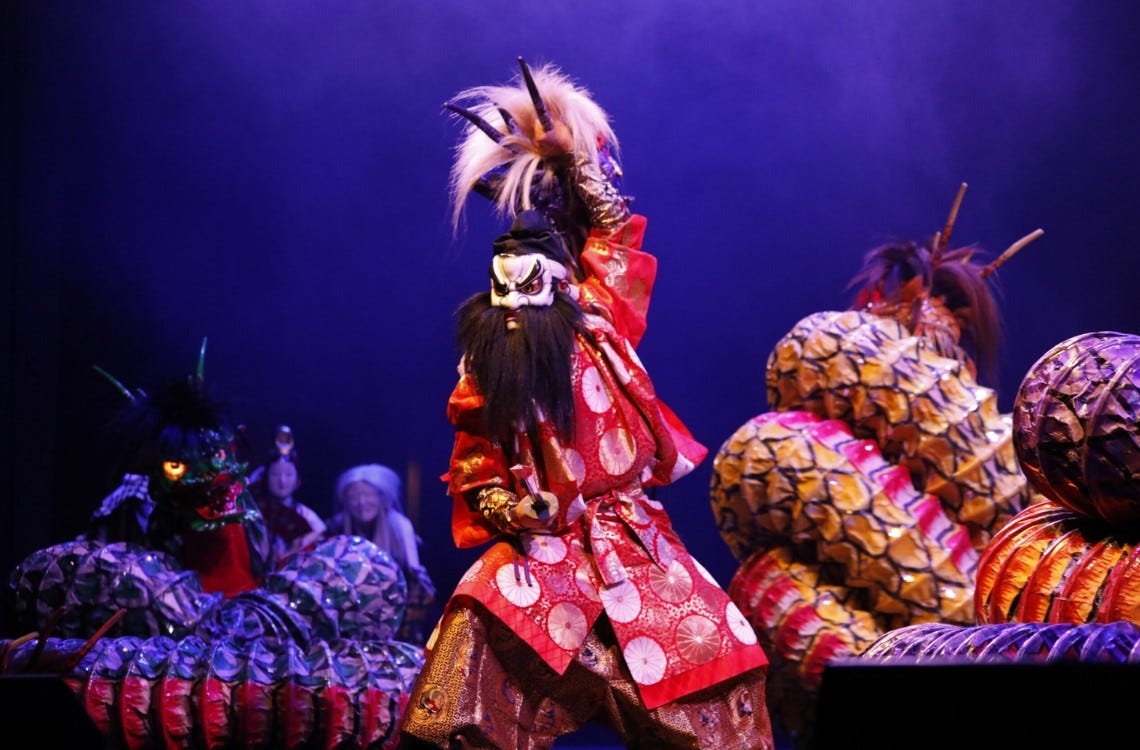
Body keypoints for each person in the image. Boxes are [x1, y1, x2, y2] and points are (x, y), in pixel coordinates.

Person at [397, 59, 773, 749]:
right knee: (461, 676)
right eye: (506, 290)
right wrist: (519, 510)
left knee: (720, 677)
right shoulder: (488, 363)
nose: (520, 302)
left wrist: (576, 164)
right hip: (543, 560)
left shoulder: (599, 316)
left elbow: (615, 237)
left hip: (635, 546)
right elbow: (476, 471)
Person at [325, 462, 437, 644]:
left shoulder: (399, 526)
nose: (362, 503)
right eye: (354, 497)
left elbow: (416, 578)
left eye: (368, 495)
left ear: (381, 498)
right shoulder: (335, 528)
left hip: (399, 612)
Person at [249, 425, 327, 559]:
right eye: (275, 475)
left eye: (289, 475)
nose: (282, 481)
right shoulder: (254, 512)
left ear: (298, 480)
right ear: (265, 478)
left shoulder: (306, 515)